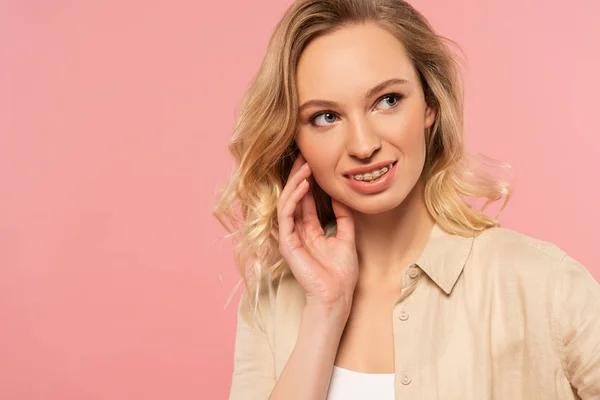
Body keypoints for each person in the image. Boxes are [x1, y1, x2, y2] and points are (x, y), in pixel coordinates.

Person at [212, 0, 600, 398]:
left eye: (388, 100)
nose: (363, 146)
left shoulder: (542, 284)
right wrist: (326, 309)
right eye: (326, 117)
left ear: (429, 103)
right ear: (295, 139)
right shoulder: (272, 302)